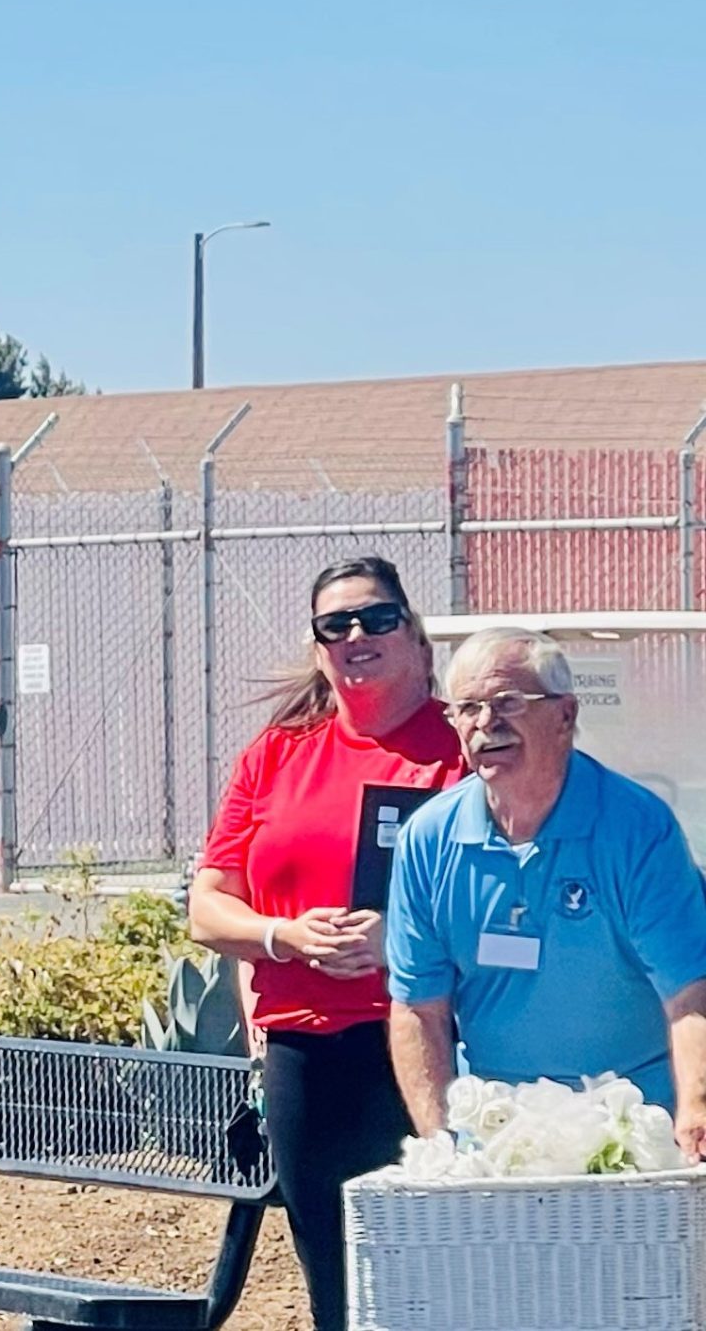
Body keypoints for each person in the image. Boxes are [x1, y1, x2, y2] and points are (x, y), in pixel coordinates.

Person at [188, 556, 464, 1331]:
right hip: (305, 1057)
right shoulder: (277, 754)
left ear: (413, 635)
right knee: (337, 1286)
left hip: (429, 1043)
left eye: (377, 618)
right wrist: (284, 936)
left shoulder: (459, 749)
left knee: (438, 1272)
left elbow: (511, 892)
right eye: (334, 625)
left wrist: (400, 937)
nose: (356, 635)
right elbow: (209, 909)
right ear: (319, 649)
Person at [387, 626, 706, 1153]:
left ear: (566, 716)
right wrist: (439, 1143)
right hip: (499, 1132)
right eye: (467, 708)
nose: (486, 723)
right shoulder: (428, 839)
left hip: (635, 1122)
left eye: (508, 702)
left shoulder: (637, 829)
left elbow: (690, 991)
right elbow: (419, 1007)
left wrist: (695, 1110)